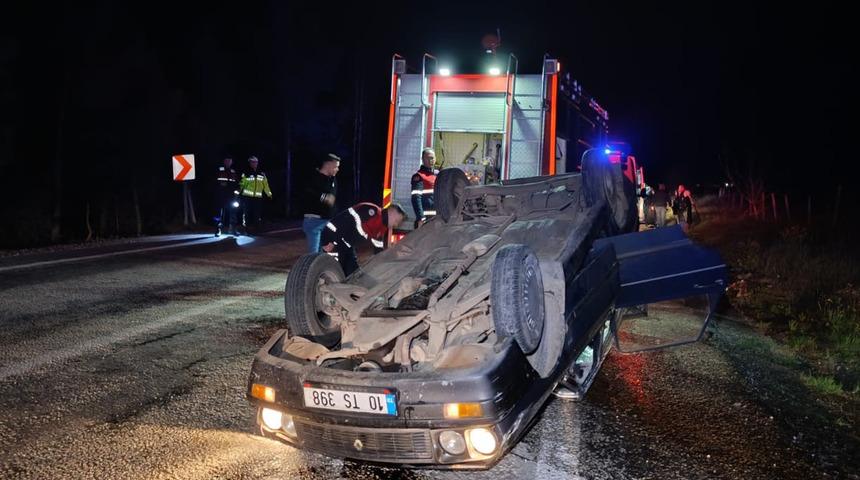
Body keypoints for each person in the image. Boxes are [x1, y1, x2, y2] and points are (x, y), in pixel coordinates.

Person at [320, 202, 408, 276]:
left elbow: (379, 250)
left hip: (345, 245)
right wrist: (329, 240)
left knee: (354, 273)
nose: (396, 225)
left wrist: (391, 257)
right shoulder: (372, 210)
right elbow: (354, 225)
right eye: (396, 221)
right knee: (332, 270)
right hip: (332, 237)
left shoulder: (382, 228)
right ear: (391, 212)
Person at [302, 153, 340, 252]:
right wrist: (324, 197)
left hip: (327, 222)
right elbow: (307, 192)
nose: (337, 169)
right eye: (335, 167)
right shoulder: (313, 177)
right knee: (314, 255)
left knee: (323, 255)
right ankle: (310, 266)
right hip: (314, 221)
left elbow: (332, 199)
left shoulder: (333, 180)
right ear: (328, 165)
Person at [239, 156, 272, 234]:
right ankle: (246, 228)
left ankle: (257, 229)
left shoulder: (262, 173)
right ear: (249, 163)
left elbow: (265, 185)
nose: (254, 163)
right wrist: (238, 192)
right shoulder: (246, 173)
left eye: (256, 162)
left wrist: (269, 194)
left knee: (257, 214)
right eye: (252, 162)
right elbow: (242, 184)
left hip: (258, 197)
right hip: (247, 197)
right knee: (247, 213)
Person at [410, 148, 438, 228]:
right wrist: (421, 218)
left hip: (437, 219)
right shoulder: (419, 176)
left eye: (432, 158)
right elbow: (416, 198)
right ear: (422, 159)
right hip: (425, 220)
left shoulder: (437, 175)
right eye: (427, 158)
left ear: (435, 159)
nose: (430, 160)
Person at [215, 157, 240, 236]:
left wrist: (237, 191)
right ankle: (218, 229)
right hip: (221, 195)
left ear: (232, 162)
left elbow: (237, 183)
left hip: (231, 196)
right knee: (219, 213)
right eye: (227, 160)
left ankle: (232, 229)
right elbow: (214, 182)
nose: (228, 162)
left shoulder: (233, 171)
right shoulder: (219, 169)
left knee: (233, 212)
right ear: (224, 161)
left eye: (230, 161)